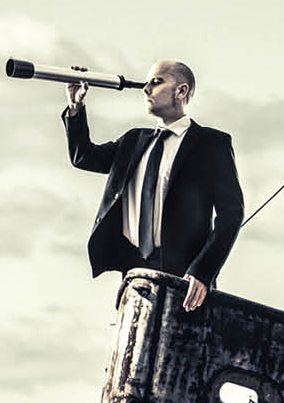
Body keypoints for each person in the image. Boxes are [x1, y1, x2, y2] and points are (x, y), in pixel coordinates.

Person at [61, 60, 241, 313]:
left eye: (156, 82)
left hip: (184, 279)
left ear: (181, 90)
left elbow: (231, 214)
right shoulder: (133, 140)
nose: (146, 89)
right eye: (146, 83)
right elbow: (84, 157)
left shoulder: (211, 144)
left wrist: (203, 271)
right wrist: (75, 106)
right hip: (133, 272)